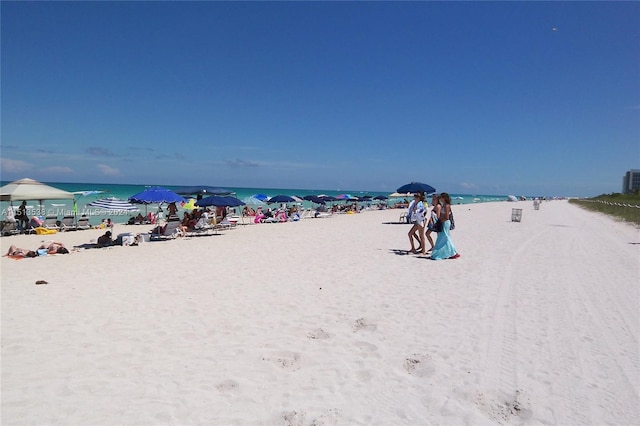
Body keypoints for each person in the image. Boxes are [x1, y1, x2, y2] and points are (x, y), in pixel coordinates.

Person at [430, 192, 460, 260]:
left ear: (444, 198)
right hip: (443, 222)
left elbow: (447, 216)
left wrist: (440, 220)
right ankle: (450, 252)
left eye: (441, 197)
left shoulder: (447, 205)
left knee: (445, 237)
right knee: (443, 238)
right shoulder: (443, 205)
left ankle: (452, 253)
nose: (440, 199)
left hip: (445, 222)